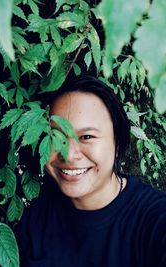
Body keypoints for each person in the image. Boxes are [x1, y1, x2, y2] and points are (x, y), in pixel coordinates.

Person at [16, 75, 166, 267]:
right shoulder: (36, 219)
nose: (68, 155)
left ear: (118, 143)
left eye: (87, 136)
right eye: (55, 135)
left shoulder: (154, 221)